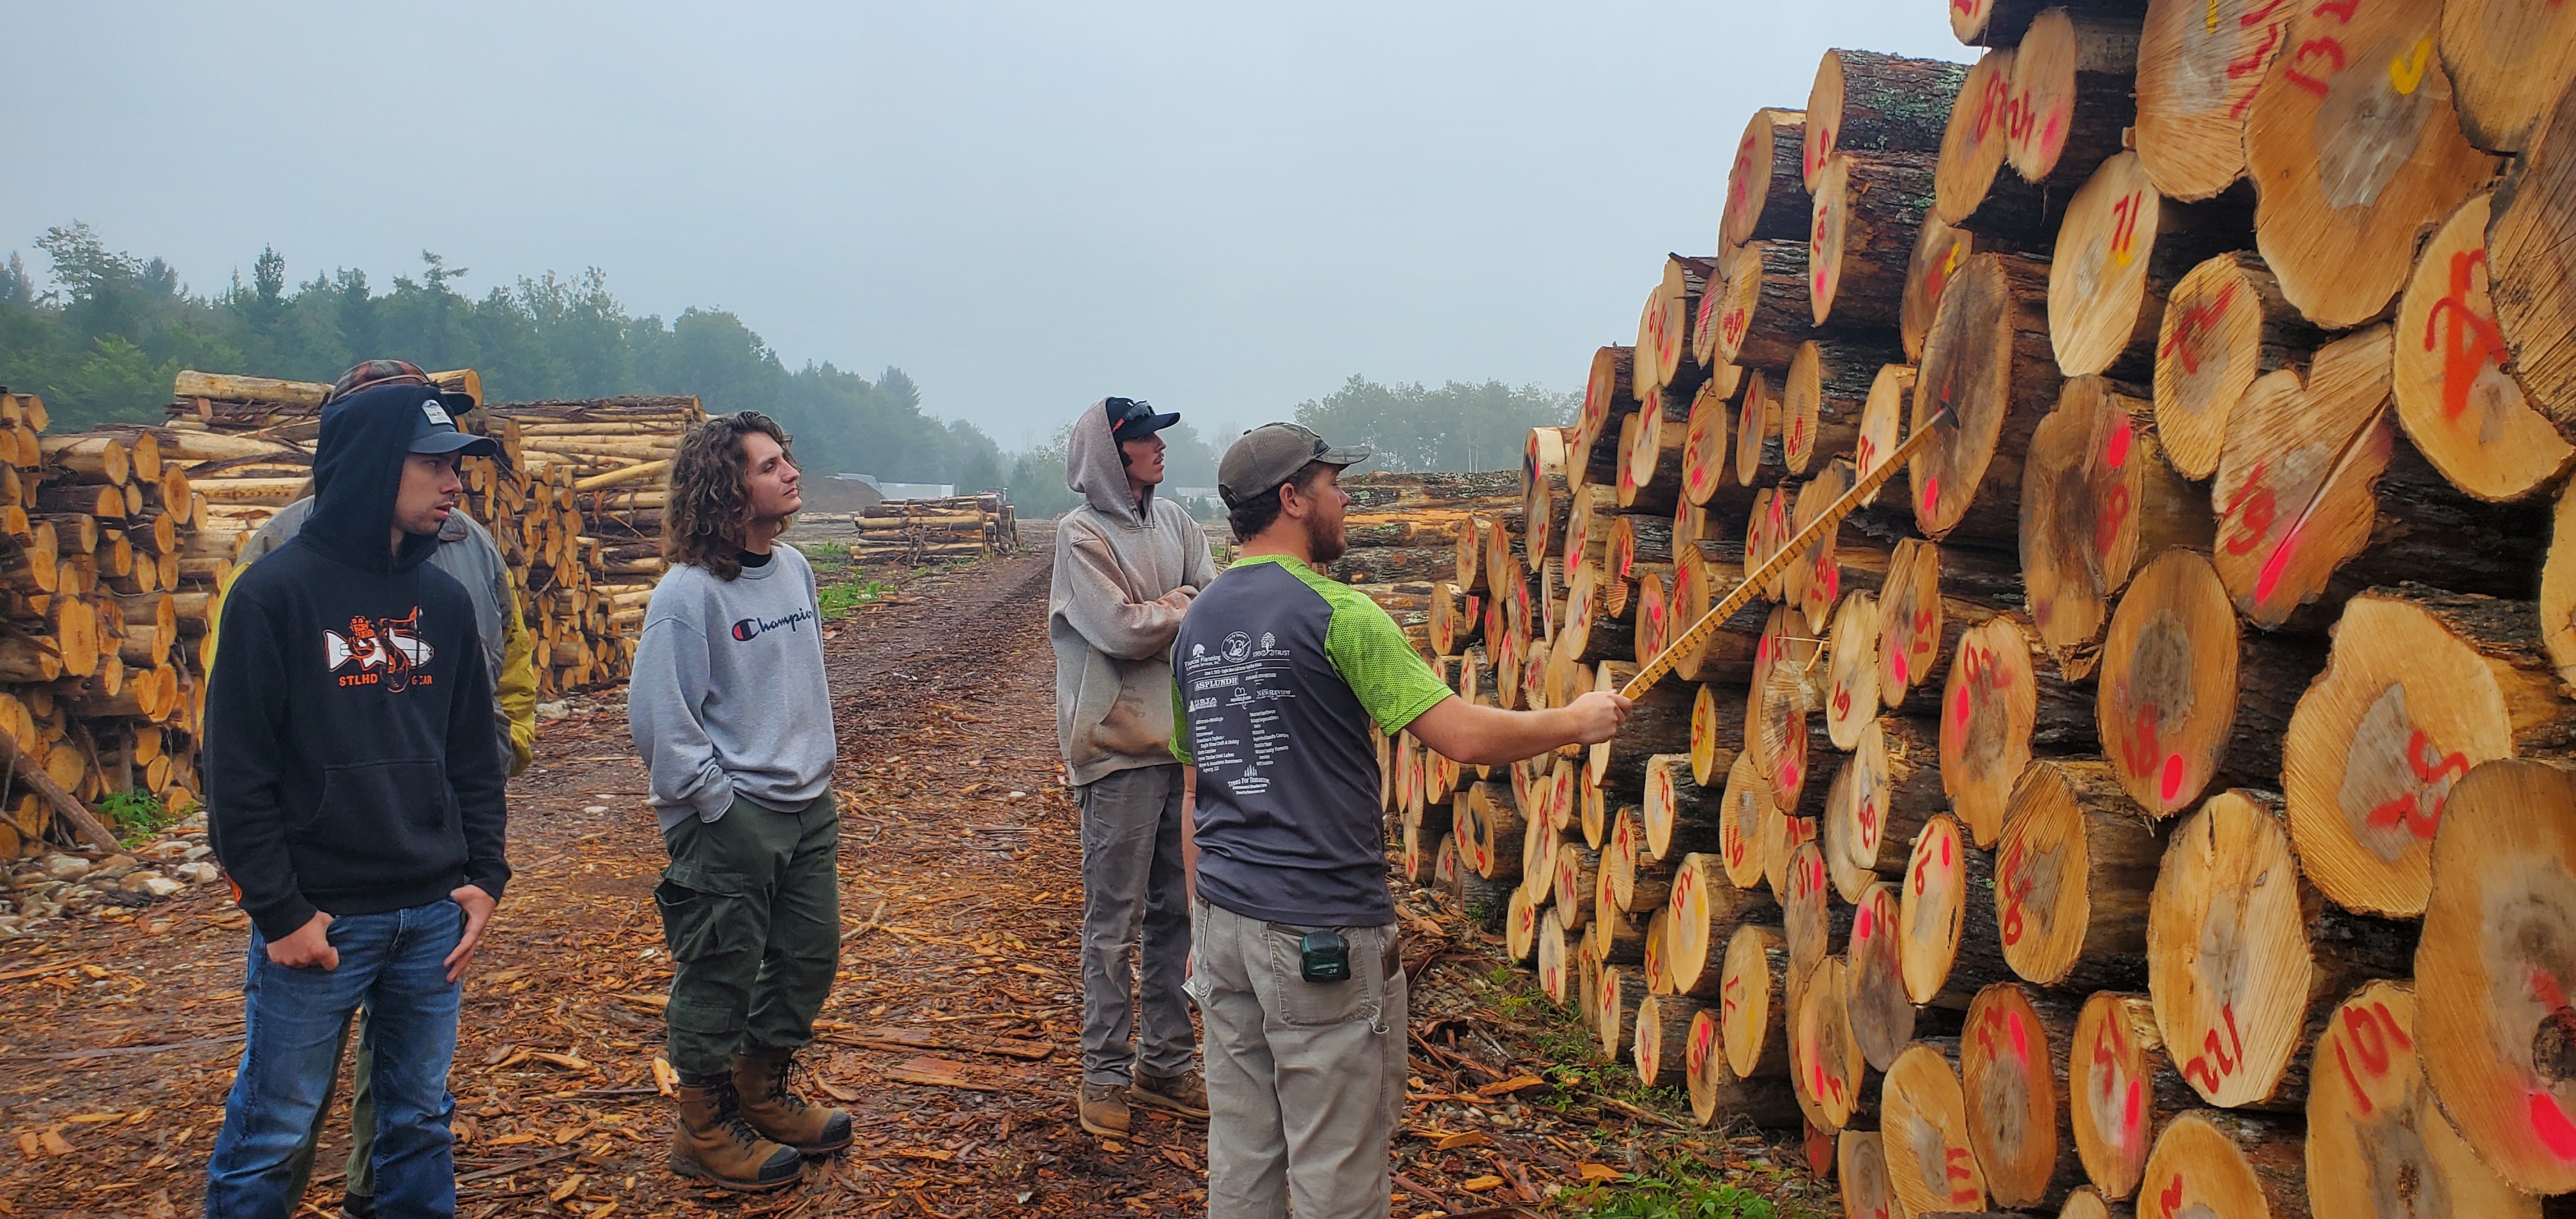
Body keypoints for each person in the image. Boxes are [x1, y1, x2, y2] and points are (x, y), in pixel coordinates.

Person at [1172, 423, 1631, 1218]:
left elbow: (1193, 791)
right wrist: (1574, 721)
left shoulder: (1196, 625)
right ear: (1291, 499)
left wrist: (1199, 924)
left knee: (1242, 1161)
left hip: (1222, 925)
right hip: (1318, 935)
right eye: (1332, 485)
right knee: (1337, 1175)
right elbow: (1459, 735)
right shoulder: (1340, 613)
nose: (1344, 499)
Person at [209, 359, 541, 1219]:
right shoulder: (274, 595)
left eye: (456, 462)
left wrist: (485, 878)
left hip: (431, 916)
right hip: (323, 920)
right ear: (368, 464)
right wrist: (279, 912)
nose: (453, 480)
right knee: (272, 1134)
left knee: (420, 1124)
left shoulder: (440, 599)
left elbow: (474, 757)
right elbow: (235, 774)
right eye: (432, 461)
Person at [627, 411, 847, 1192]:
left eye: (787, 458)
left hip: (807, 805)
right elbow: (659, 719)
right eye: (767, 465)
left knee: (808, 956)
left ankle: (761, 1092)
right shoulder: (688, 595)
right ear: (727, 487)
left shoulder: (793, 571)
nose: (789, 472)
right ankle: (703, 1126)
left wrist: (812, 776)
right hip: (731, 820)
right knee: (719, 972)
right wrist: (720, 806)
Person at [1047, 397, 1219, 1138]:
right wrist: (1176, 606)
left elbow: (1210, 605)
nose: (1158, 449)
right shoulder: (1080, 534)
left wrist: (1171, 608)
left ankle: (1167, 1065)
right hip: (1115, 750)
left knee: (1177, 911)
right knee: (1112, 921)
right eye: (1142, 440)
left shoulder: (1178, 523)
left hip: (1179, 746)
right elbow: (1118, 631)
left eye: (1157, 438)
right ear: (1110, 456)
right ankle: (1104, 1074)